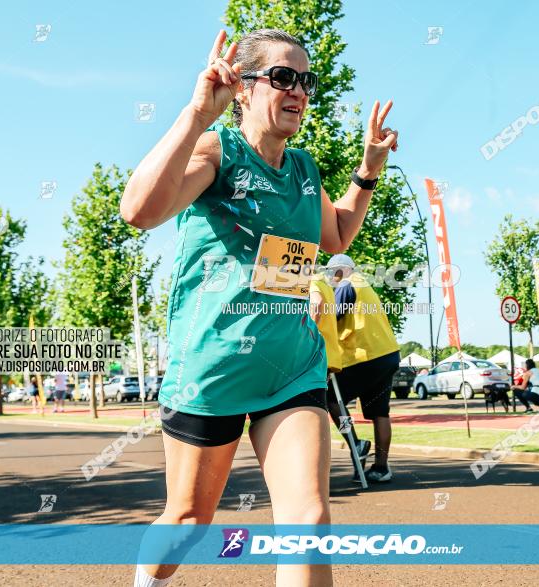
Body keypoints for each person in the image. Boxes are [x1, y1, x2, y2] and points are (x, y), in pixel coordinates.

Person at [120, 28, 398, 587]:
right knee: (188, 522)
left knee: (309, 522)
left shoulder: (302, 168)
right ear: (242, 88)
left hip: (291, 367)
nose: (297, 90)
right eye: (282, 77)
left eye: (305, 81)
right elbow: (139, 211)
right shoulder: (216, 152)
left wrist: (367, 172)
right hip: (213, 369)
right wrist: (198, 114)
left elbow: (337, 235)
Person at [326, 254, 401, 483]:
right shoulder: (365, 285)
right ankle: (381, 468)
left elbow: (331, 318)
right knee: (380, 412)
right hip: (387, 355)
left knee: (330, 399)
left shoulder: (348, 285)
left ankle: (355, 443)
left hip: (365, 355)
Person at [309, 269, 371, 477]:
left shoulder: (312, 280)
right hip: (328, 355)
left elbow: (316, 304)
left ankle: (315, 470)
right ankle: (355, 442)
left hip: (314, 355)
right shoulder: (324, 282)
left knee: (312, 410)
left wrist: (307, 333)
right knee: (332, 404)